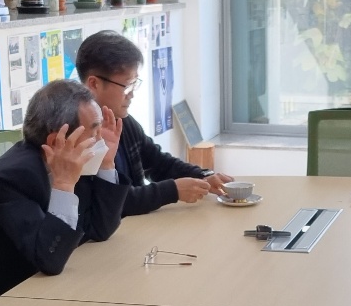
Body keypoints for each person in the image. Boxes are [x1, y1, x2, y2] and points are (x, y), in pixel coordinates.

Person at [0, 79, 128, 300]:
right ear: (59, 140)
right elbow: (49, 259)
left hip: (40, 289)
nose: (99, 139)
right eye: (94, 131)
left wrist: (106, 164)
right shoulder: (10, 179)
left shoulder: (69, 160)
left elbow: (101, 228)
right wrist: (64, 186)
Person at [77, 31, 234, 215]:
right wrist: (172, 191)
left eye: (135, 84)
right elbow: (111, 203)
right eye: (127, 86)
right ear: (94, 84)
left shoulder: (123, 121)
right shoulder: (78, 136)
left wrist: (203, 176)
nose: (132, 94)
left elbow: (159, 163)